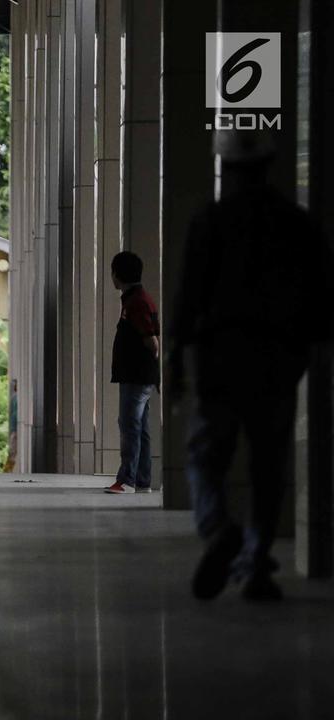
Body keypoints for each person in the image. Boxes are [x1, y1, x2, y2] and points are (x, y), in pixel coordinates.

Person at [173, 129, 331, 601]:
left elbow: (188, 296)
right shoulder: (298, 223)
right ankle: (256, 562)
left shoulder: (211, 220)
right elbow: (322, 295)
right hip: (279, 357)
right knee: (268, 462)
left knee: (206, 455)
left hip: (220, 354)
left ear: (227, 168)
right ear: (268, 166)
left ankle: (218, 527)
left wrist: (178, 361)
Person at [104, 251, 160, 495]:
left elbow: (151, 341)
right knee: (140, 428)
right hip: (139, 375)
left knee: (129, 425)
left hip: (136, 376)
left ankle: (126, 479)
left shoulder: (136, 302)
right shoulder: (135, 299)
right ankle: (142, 480)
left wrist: (150, 362)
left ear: (118, 274)